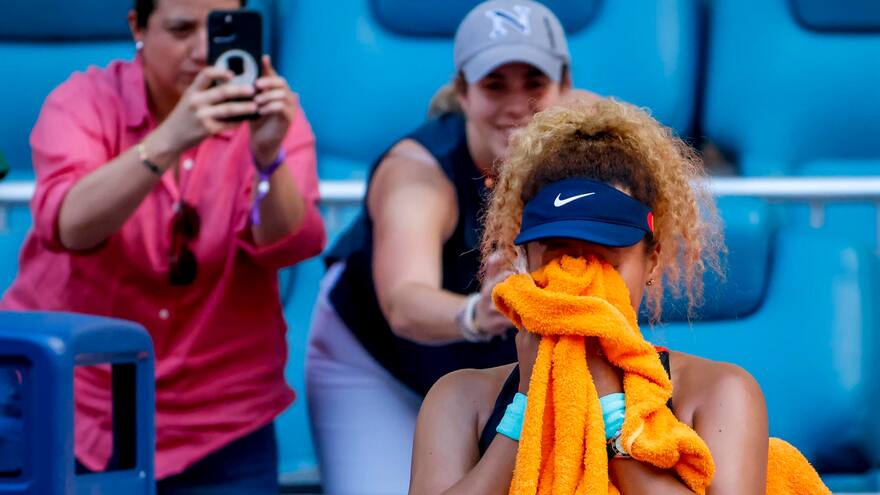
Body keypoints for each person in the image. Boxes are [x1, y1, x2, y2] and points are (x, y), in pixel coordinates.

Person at [0, 0, 325, 493]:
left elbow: (287, 244)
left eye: (215, 28)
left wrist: (267, 159)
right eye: (180, 29)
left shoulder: (274, 115)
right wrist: (168, 140)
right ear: (138, 27)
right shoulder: (82, 100)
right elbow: (69, 225)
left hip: (222, 418)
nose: (200, 50)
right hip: (75, 404)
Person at [409, 99, 775, 494]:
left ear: (651, 261)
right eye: (559, 256)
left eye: (604, 261)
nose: (581, 280)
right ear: (525, 260)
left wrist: (609, 403)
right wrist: (526, 406)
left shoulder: (721, 392)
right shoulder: (458, 399)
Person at [305, 1, 584, 492]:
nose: (517, 104)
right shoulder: (418, 174)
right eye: (495, 85)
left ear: (565, 86)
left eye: (534, 84)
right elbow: (405, 303)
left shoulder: (599, 144)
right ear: (463, 92)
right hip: (378, 366)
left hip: (503, 371)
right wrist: (480, 312)